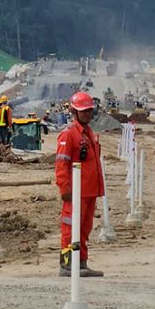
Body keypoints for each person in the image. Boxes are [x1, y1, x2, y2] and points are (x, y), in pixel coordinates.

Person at [55, 91, 104, 278]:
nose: (87, 115)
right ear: (74, 112)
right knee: (70, 229)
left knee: (84, 229)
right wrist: (65, 188)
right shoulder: (69, 135)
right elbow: (61, 163)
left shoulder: (89, 134)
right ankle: (67, 265)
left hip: (90, 190)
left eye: (89, 111)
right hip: (76, 192)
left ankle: (81, 262)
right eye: (83, 112)